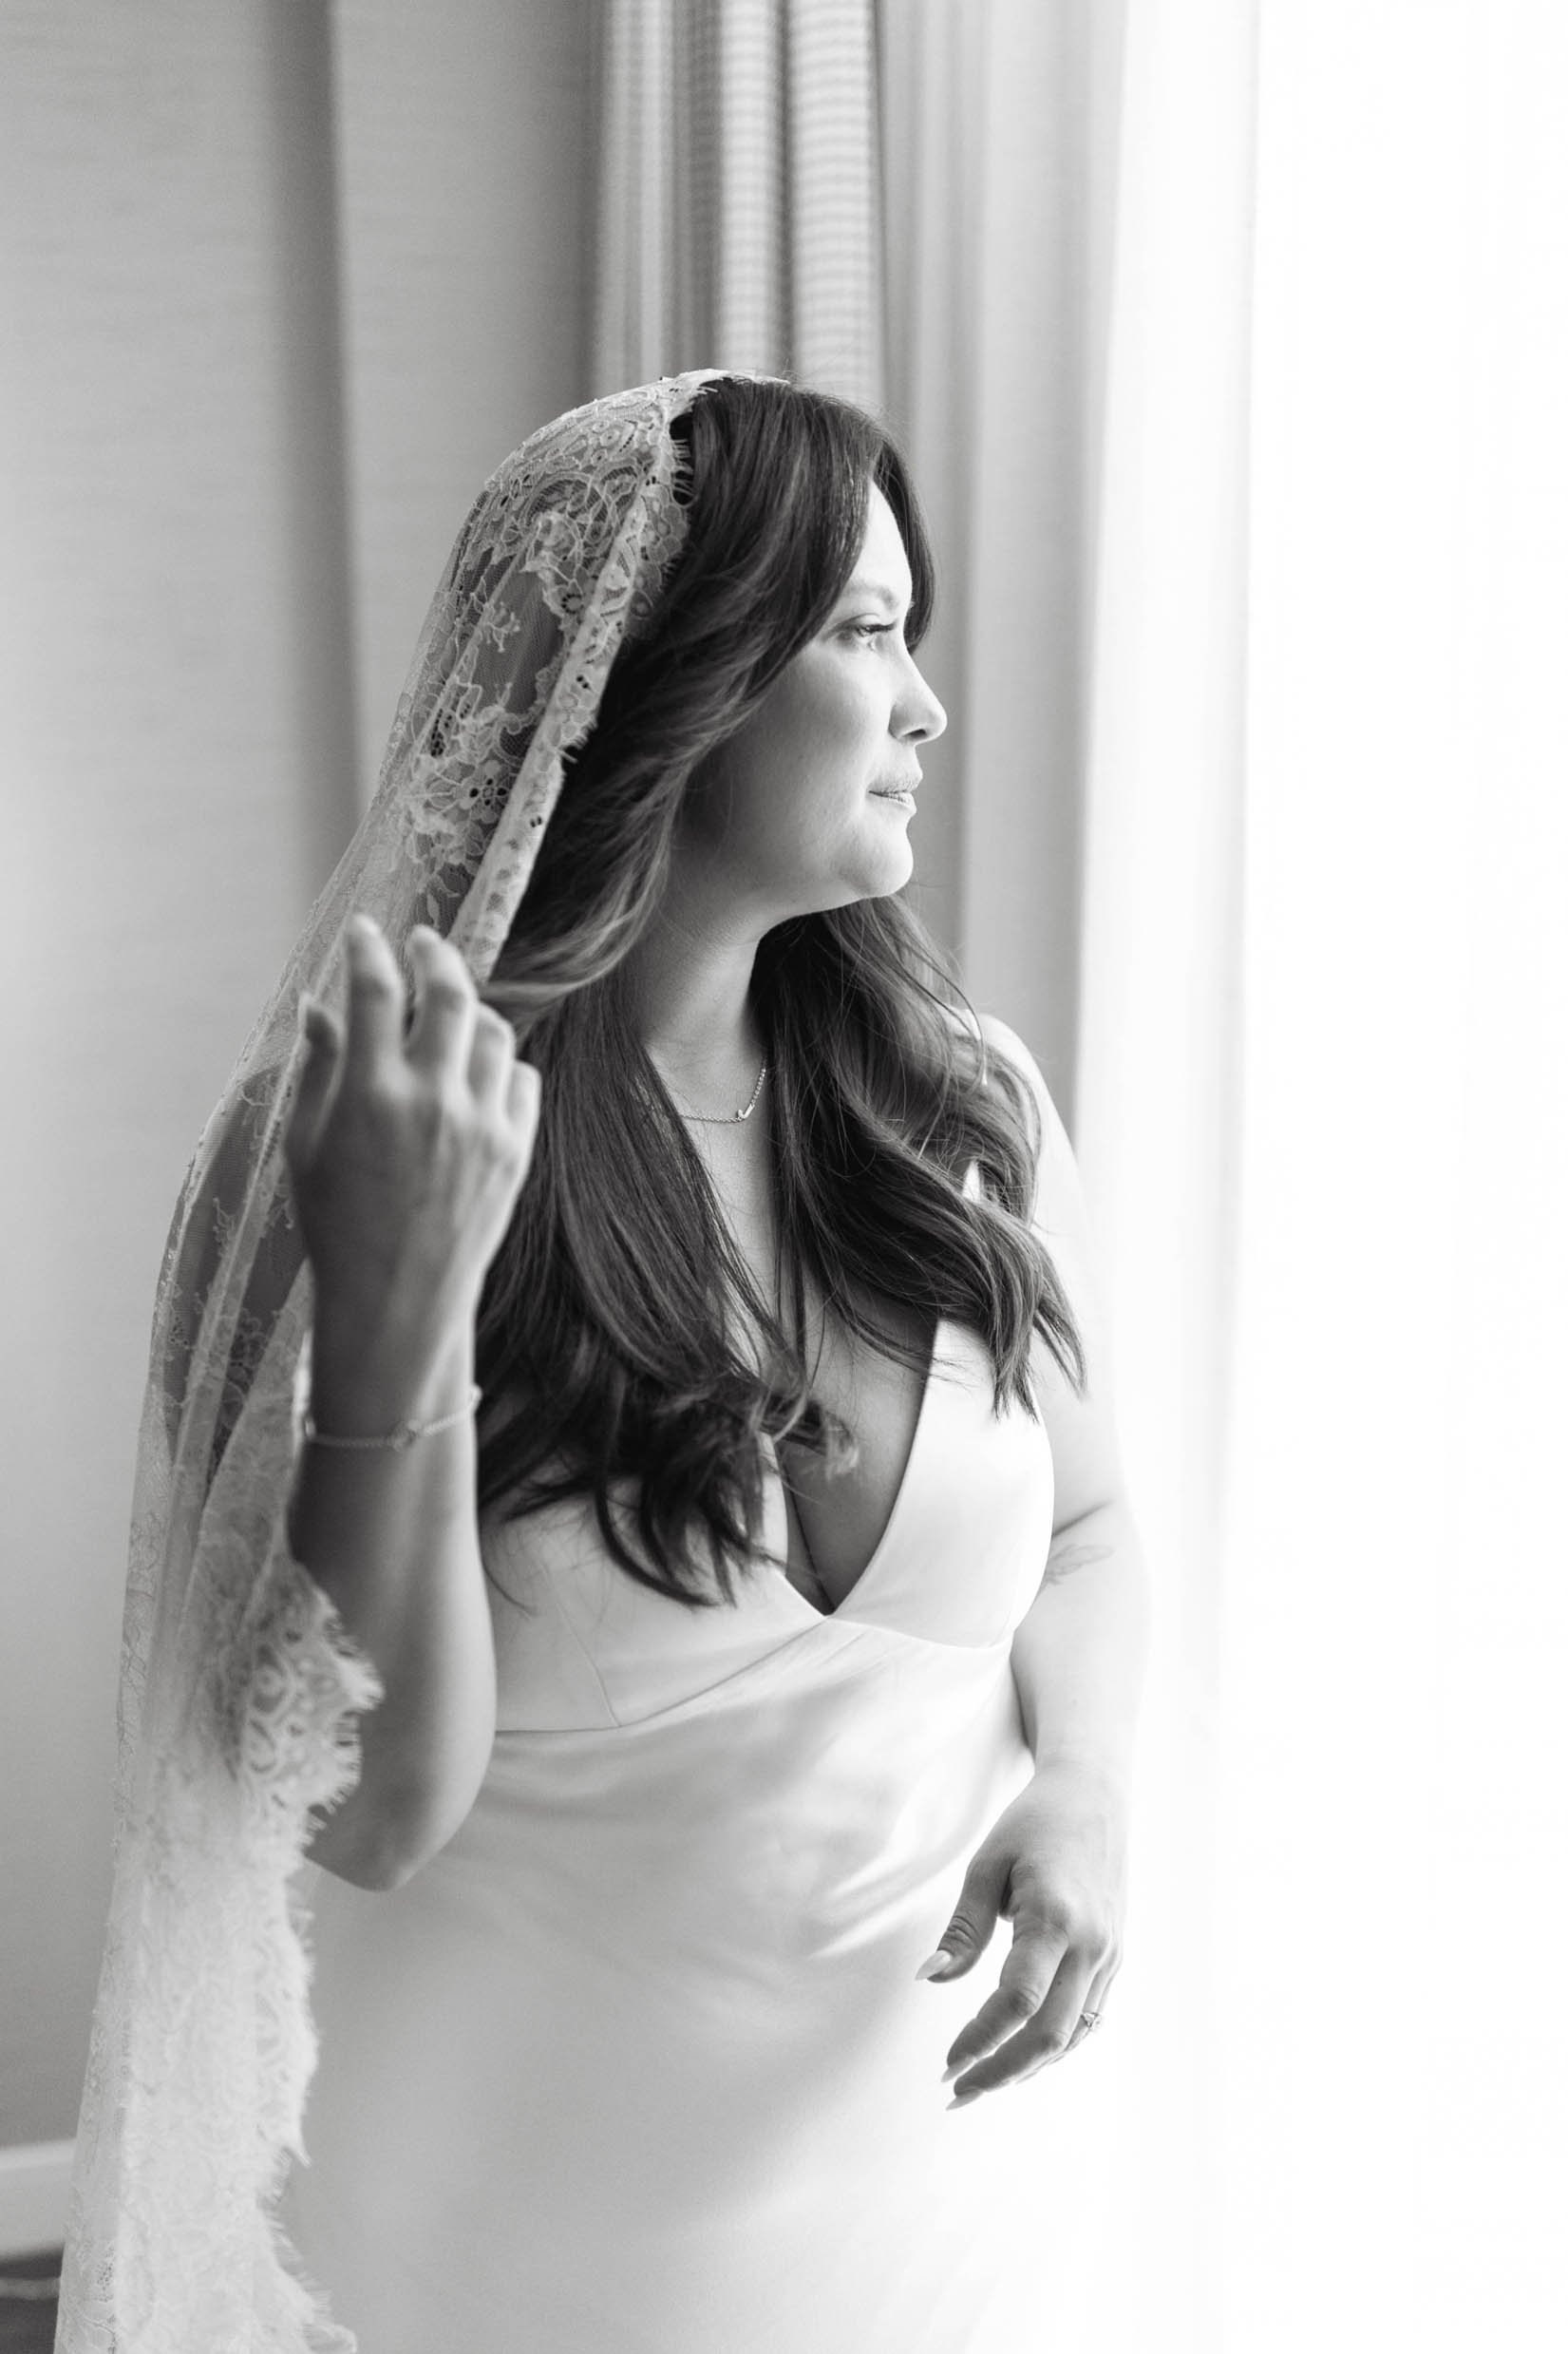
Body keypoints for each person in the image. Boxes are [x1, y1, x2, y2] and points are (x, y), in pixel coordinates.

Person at [56, 370, 1147, 2354]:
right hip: (515, 2254)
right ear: (684, 676)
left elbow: (1082, 1523)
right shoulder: (359, 1145)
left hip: (947, 2207)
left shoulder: (954, 1105)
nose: (922, 709)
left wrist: (1081, 1786)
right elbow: (374, 1807)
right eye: (867, 633)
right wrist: (398, 1307)